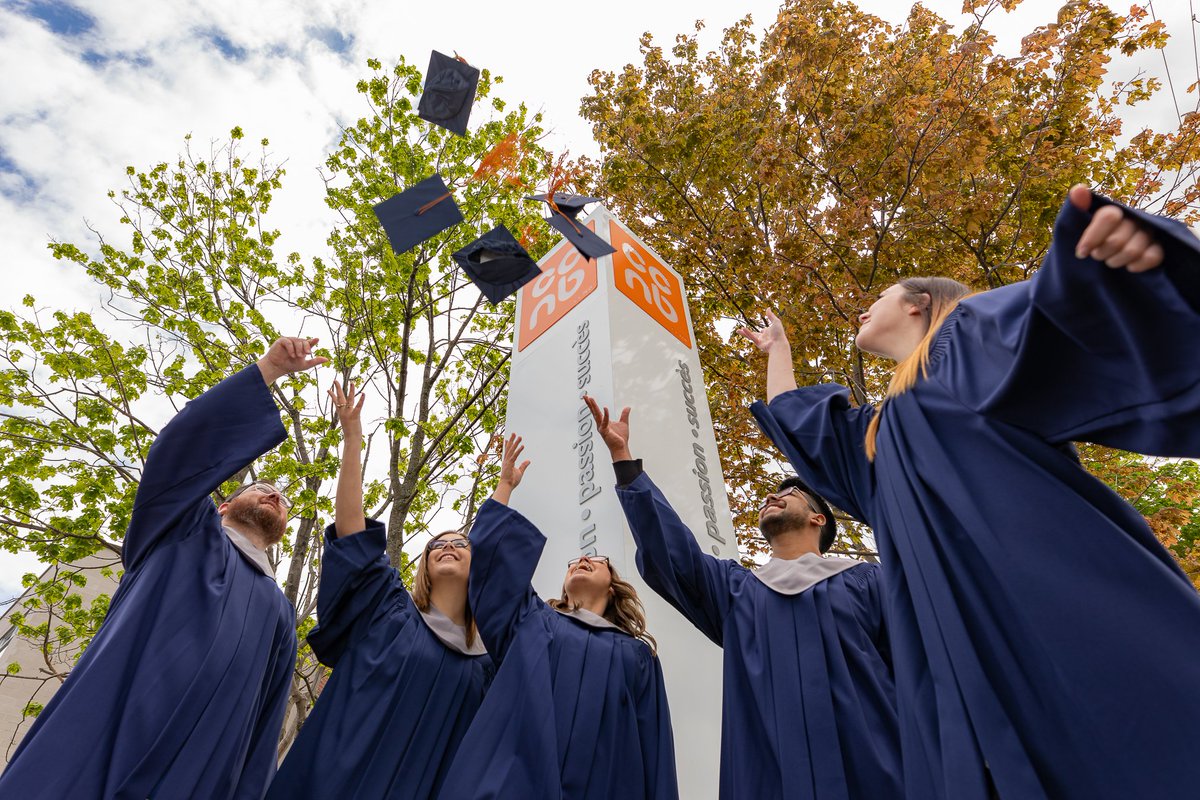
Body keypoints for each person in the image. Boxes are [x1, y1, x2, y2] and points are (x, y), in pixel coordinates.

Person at [743, 186, 1200, 800]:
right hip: (947, 659)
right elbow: (805, 424)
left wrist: (1131, 252)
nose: (863, 309)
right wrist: (780, 352)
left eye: (878, 295)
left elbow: (1071, 308)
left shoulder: (973, 337)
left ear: (918, 305)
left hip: (1049, 597)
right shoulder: (879, 437)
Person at [0, 337, 326, 799]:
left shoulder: (279, 614)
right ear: (222, 505)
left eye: (284, 499)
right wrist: (267, 371)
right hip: (109, 729)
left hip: (197, 772)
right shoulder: (182, 531)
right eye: (264, 487)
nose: (275, 495)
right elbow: (179, 457)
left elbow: (265, 719)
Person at [583, 396, 900, 800]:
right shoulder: (736, 592)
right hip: (767, 778)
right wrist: (624, 459)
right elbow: (672, 553)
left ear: (818, 518)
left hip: (875, 771)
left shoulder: (869, 582)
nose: (772, 497)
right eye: (770, 495)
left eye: (788, 495)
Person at [266, 382, 493, 800]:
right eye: (436, 544)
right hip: (336, 779)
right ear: (423, 564)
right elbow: (353, 533)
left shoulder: (487, 663)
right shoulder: (388, 608)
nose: (446, 545)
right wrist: (353, 440)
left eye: (460, 543)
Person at [436, 435, 678, 800]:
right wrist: (504, 487)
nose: (583, 560)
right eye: (575, 562)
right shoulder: (530, 621)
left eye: (597, 561)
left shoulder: (638, 657)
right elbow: (492, 568)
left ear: (612, 588)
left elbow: (655, 750)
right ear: (564, 589)